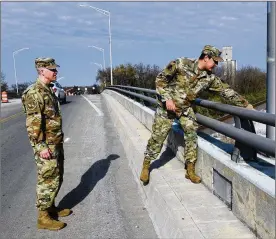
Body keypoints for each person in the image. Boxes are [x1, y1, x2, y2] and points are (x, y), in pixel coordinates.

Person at [140, 45, 254, 185]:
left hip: (185, 109)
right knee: (158, 137)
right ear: (206, 57)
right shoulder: (181, 63)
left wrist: (246, 105)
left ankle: (190, 170)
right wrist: (167, 98)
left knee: (191, 136)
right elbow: (160, 80)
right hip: (166, 108)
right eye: (215, 61)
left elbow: (226, 91)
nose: (216, 65)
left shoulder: (209, 78)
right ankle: (146, 165)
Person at [22, 58, 72, 231]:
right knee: (48, 179)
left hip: (55, 142)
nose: (55, 72)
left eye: (55, 69)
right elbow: (33, 123)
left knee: (57, 177)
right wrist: (41, 146)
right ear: (41, 70)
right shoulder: (34, 92)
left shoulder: (48, 90)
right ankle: (43, 217)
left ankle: (51, 207)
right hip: (46, 145)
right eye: (52, 69)